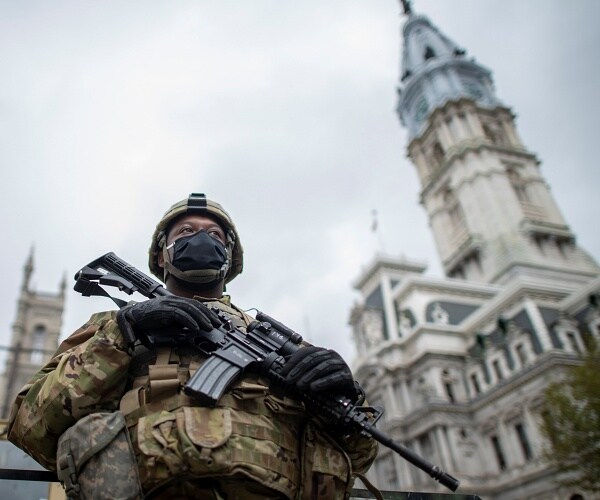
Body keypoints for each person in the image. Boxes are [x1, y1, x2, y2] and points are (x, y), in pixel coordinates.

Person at [7, 193, 378, 499]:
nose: (201, 239)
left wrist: (345, 396)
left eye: (215, 236)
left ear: (230, 256)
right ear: (161, 255)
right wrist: (125, 332)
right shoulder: (113, 328)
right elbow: (30, 426)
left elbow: (356, 456)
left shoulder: (279, 346)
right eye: (186, 231)